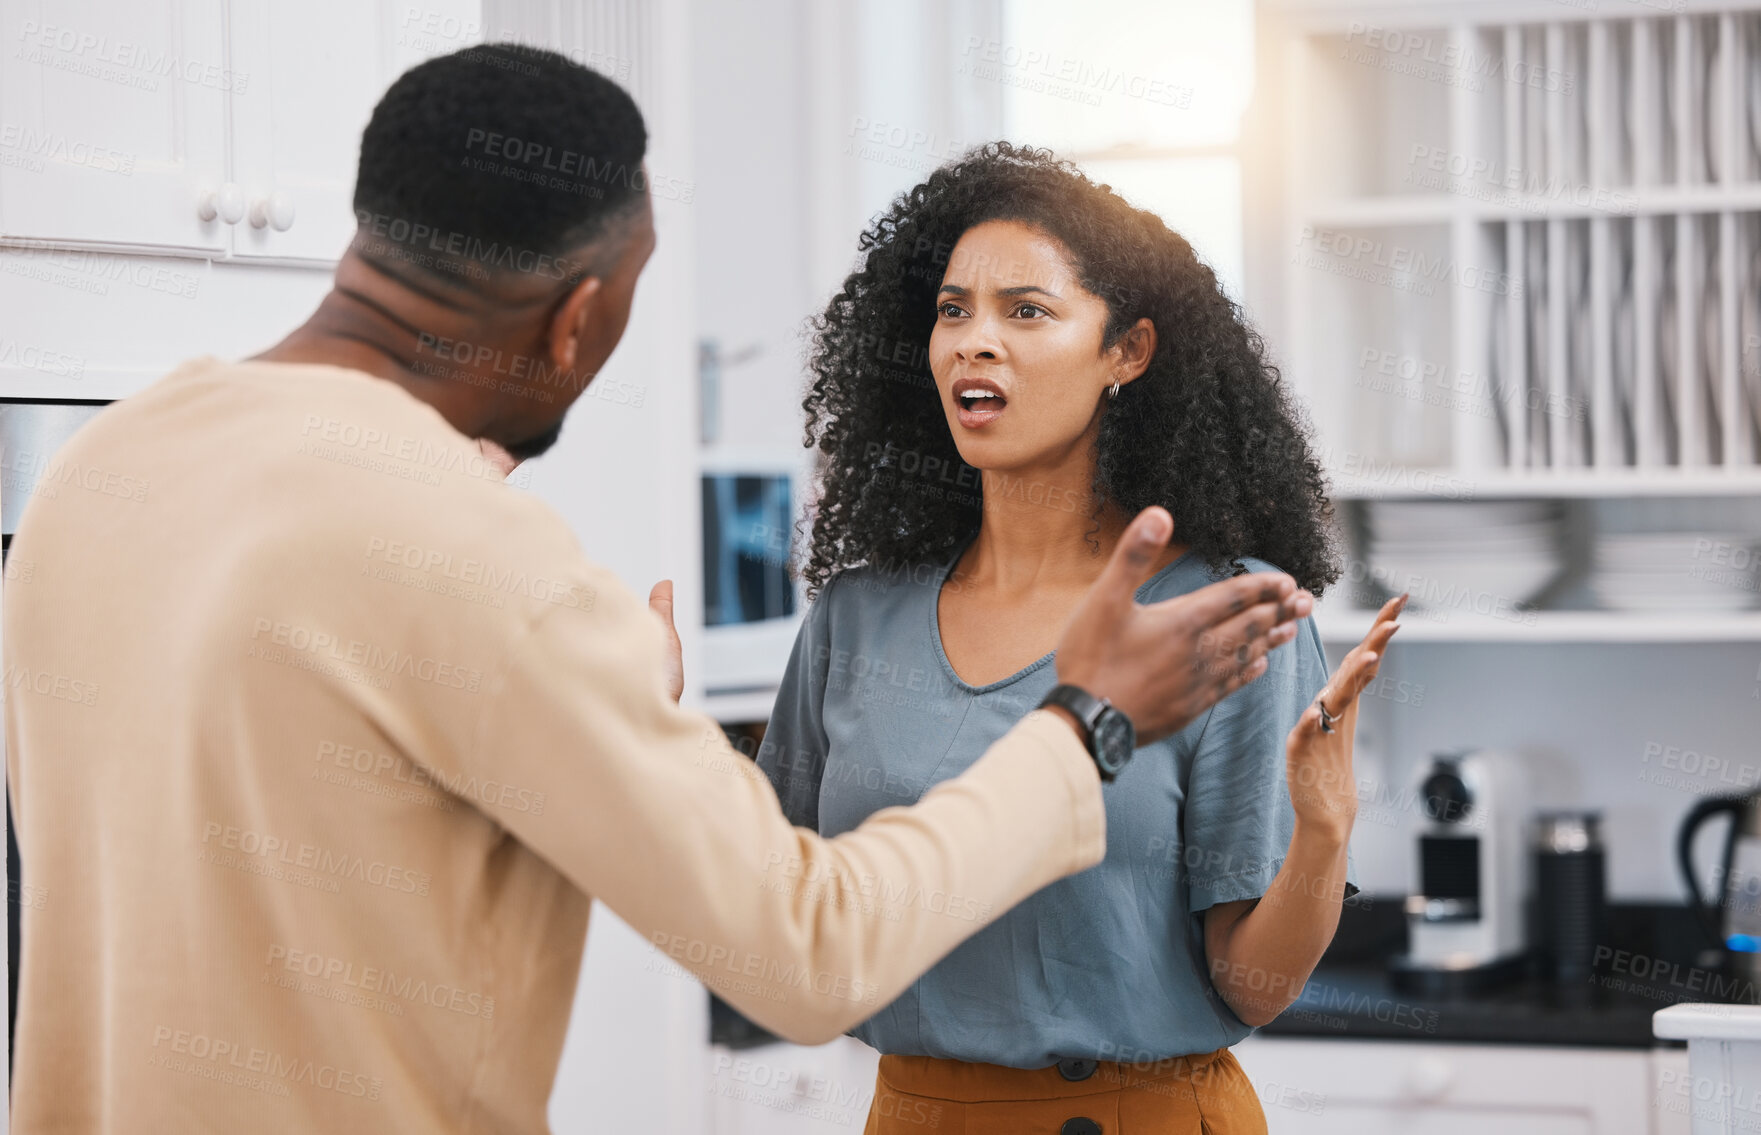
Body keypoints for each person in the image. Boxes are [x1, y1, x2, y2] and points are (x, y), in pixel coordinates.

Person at [3, 48, 1312, 1133]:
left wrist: (595, 712)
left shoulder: (98, 468)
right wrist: (1084, 720)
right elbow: (808, 952)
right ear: (574, 321)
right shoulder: (493, 569)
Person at [756, 143, 1405, 1134]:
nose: (976, 340)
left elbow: (1255, 986)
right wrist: (643, 736)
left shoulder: (1224, 613)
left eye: (1027, 310)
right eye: (951, 310)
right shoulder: (855, 615)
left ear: (1127, 352)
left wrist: (1324, 829)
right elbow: (774, 927)